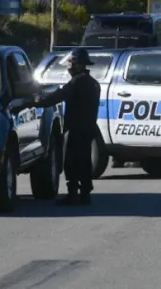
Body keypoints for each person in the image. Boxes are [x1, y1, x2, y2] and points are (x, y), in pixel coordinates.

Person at [29, 48, 102, 205]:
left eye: (71, 63)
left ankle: (73, 194)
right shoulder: (93, 84)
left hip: (76, 128)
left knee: (71, 161)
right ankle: (85, 193)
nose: (69, 67)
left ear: (78, 64)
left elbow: (56, 97)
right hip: (89, 127)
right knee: (85, 160)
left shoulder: (76, 83)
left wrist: (36, 103)